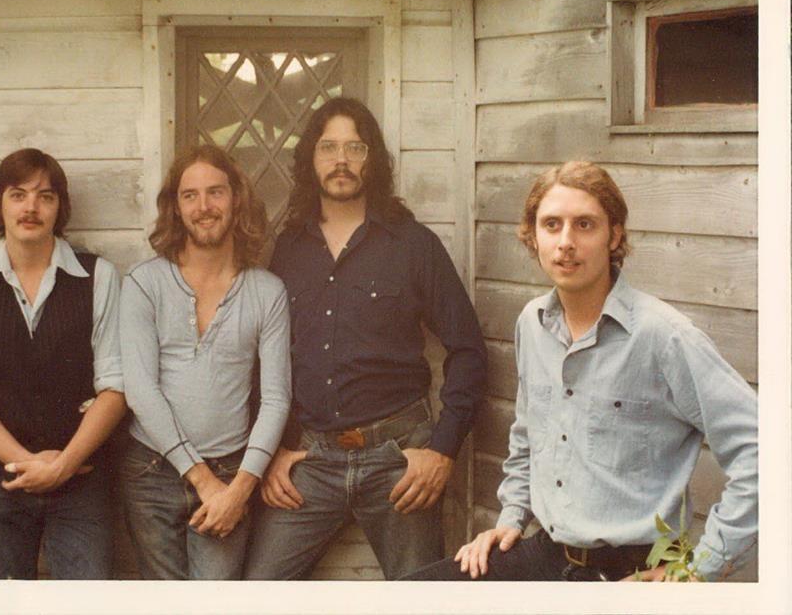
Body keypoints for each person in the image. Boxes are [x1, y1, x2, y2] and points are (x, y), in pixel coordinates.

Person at [404, 160, 758, 581]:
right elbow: (527, 437)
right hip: (548, 556)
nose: (566, 242)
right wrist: (510, 520)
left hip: (633, 572)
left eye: (585, 225)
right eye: (551, 225)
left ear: (615, 235)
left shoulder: (663, 336)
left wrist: (695, 574)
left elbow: (763, 449)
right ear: (533, 237)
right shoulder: (532, 323)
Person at [244, 97, 488, 580]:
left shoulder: (413, 245)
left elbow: (468, 351)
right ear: (309, 160)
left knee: (421, 598)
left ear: (371, 158)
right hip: (310, 460)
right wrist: (273, 451)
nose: (341, 160)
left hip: (399, 461)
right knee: (256, 594)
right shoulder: (289, 249)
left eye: (354, 148)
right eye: (328, 147)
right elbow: (265, 358)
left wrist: (442, 450)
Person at [0, 148, 127, 579]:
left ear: (60, 208)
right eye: (18, 194)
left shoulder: (99, 278)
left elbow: (115, 388)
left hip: (83, 474)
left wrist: (61, 466)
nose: (31, 207)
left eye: (45, 196)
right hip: (1, 481)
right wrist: (29, 465)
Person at [118, 145, 291, 580]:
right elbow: (140, 390)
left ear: (236, 199)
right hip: (151, 471)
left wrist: (239, 490)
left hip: (232, 471)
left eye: (215, 192)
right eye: (189, 195)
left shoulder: (267, 292)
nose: (204, 206)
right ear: (176, 208)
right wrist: (200, 479)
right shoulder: (145, 283)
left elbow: (275, 399)